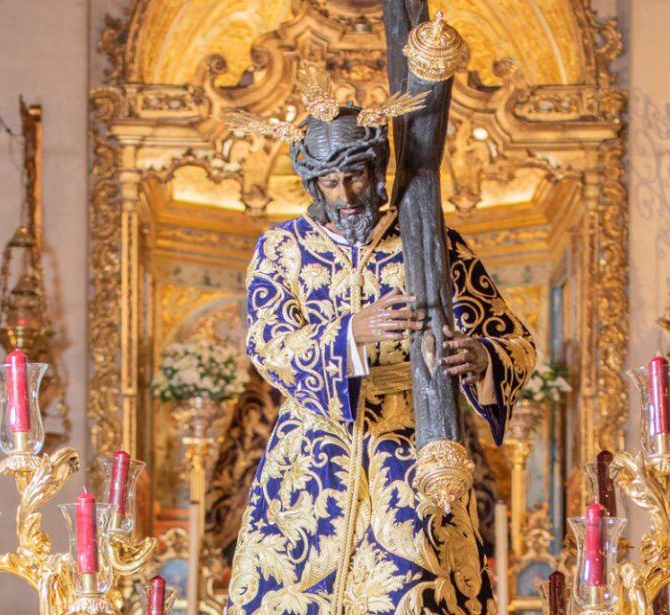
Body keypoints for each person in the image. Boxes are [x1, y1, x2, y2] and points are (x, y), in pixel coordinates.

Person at [224, 16, 535, 614]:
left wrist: (480, 358)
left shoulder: (431, 240)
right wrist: (349, 334)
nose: (343, 196)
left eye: (354, 176)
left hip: (410, 443)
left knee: (411, 589)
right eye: (329, 183)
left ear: (375, 167)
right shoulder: (282, 248)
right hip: (312, 458)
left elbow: (512, 339)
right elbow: (266, 343)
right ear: (312, 183)